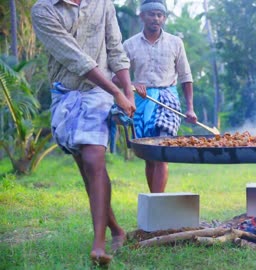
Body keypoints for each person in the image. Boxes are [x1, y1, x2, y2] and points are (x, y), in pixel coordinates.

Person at [31, 0, 136, 265]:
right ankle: (117, 230)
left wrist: (128, 91)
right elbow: (74, 57)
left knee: (93, 159)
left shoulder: (103, 3)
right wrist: (117, 92)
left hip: (97, 94)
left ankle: (99, 245)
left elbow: (115, 48)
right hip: (66, 94)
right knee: (86, 166)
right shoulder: (44, 10)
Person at [113, 0, 198, 193]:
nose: (156, 19)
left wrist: (190, 108)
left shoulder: (176, 43)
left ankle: (157, 200)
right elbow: (115, 77)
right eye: (151, 14)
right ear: (142, 16)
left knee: (162, 151)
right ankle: (154, 200)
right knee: (150, 155)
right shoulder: (130, 45)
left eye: (160, 15)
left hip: (168, 100)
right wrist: (133, 85)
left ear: (164, 18)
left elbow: (186, 77)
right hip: (142, 103)